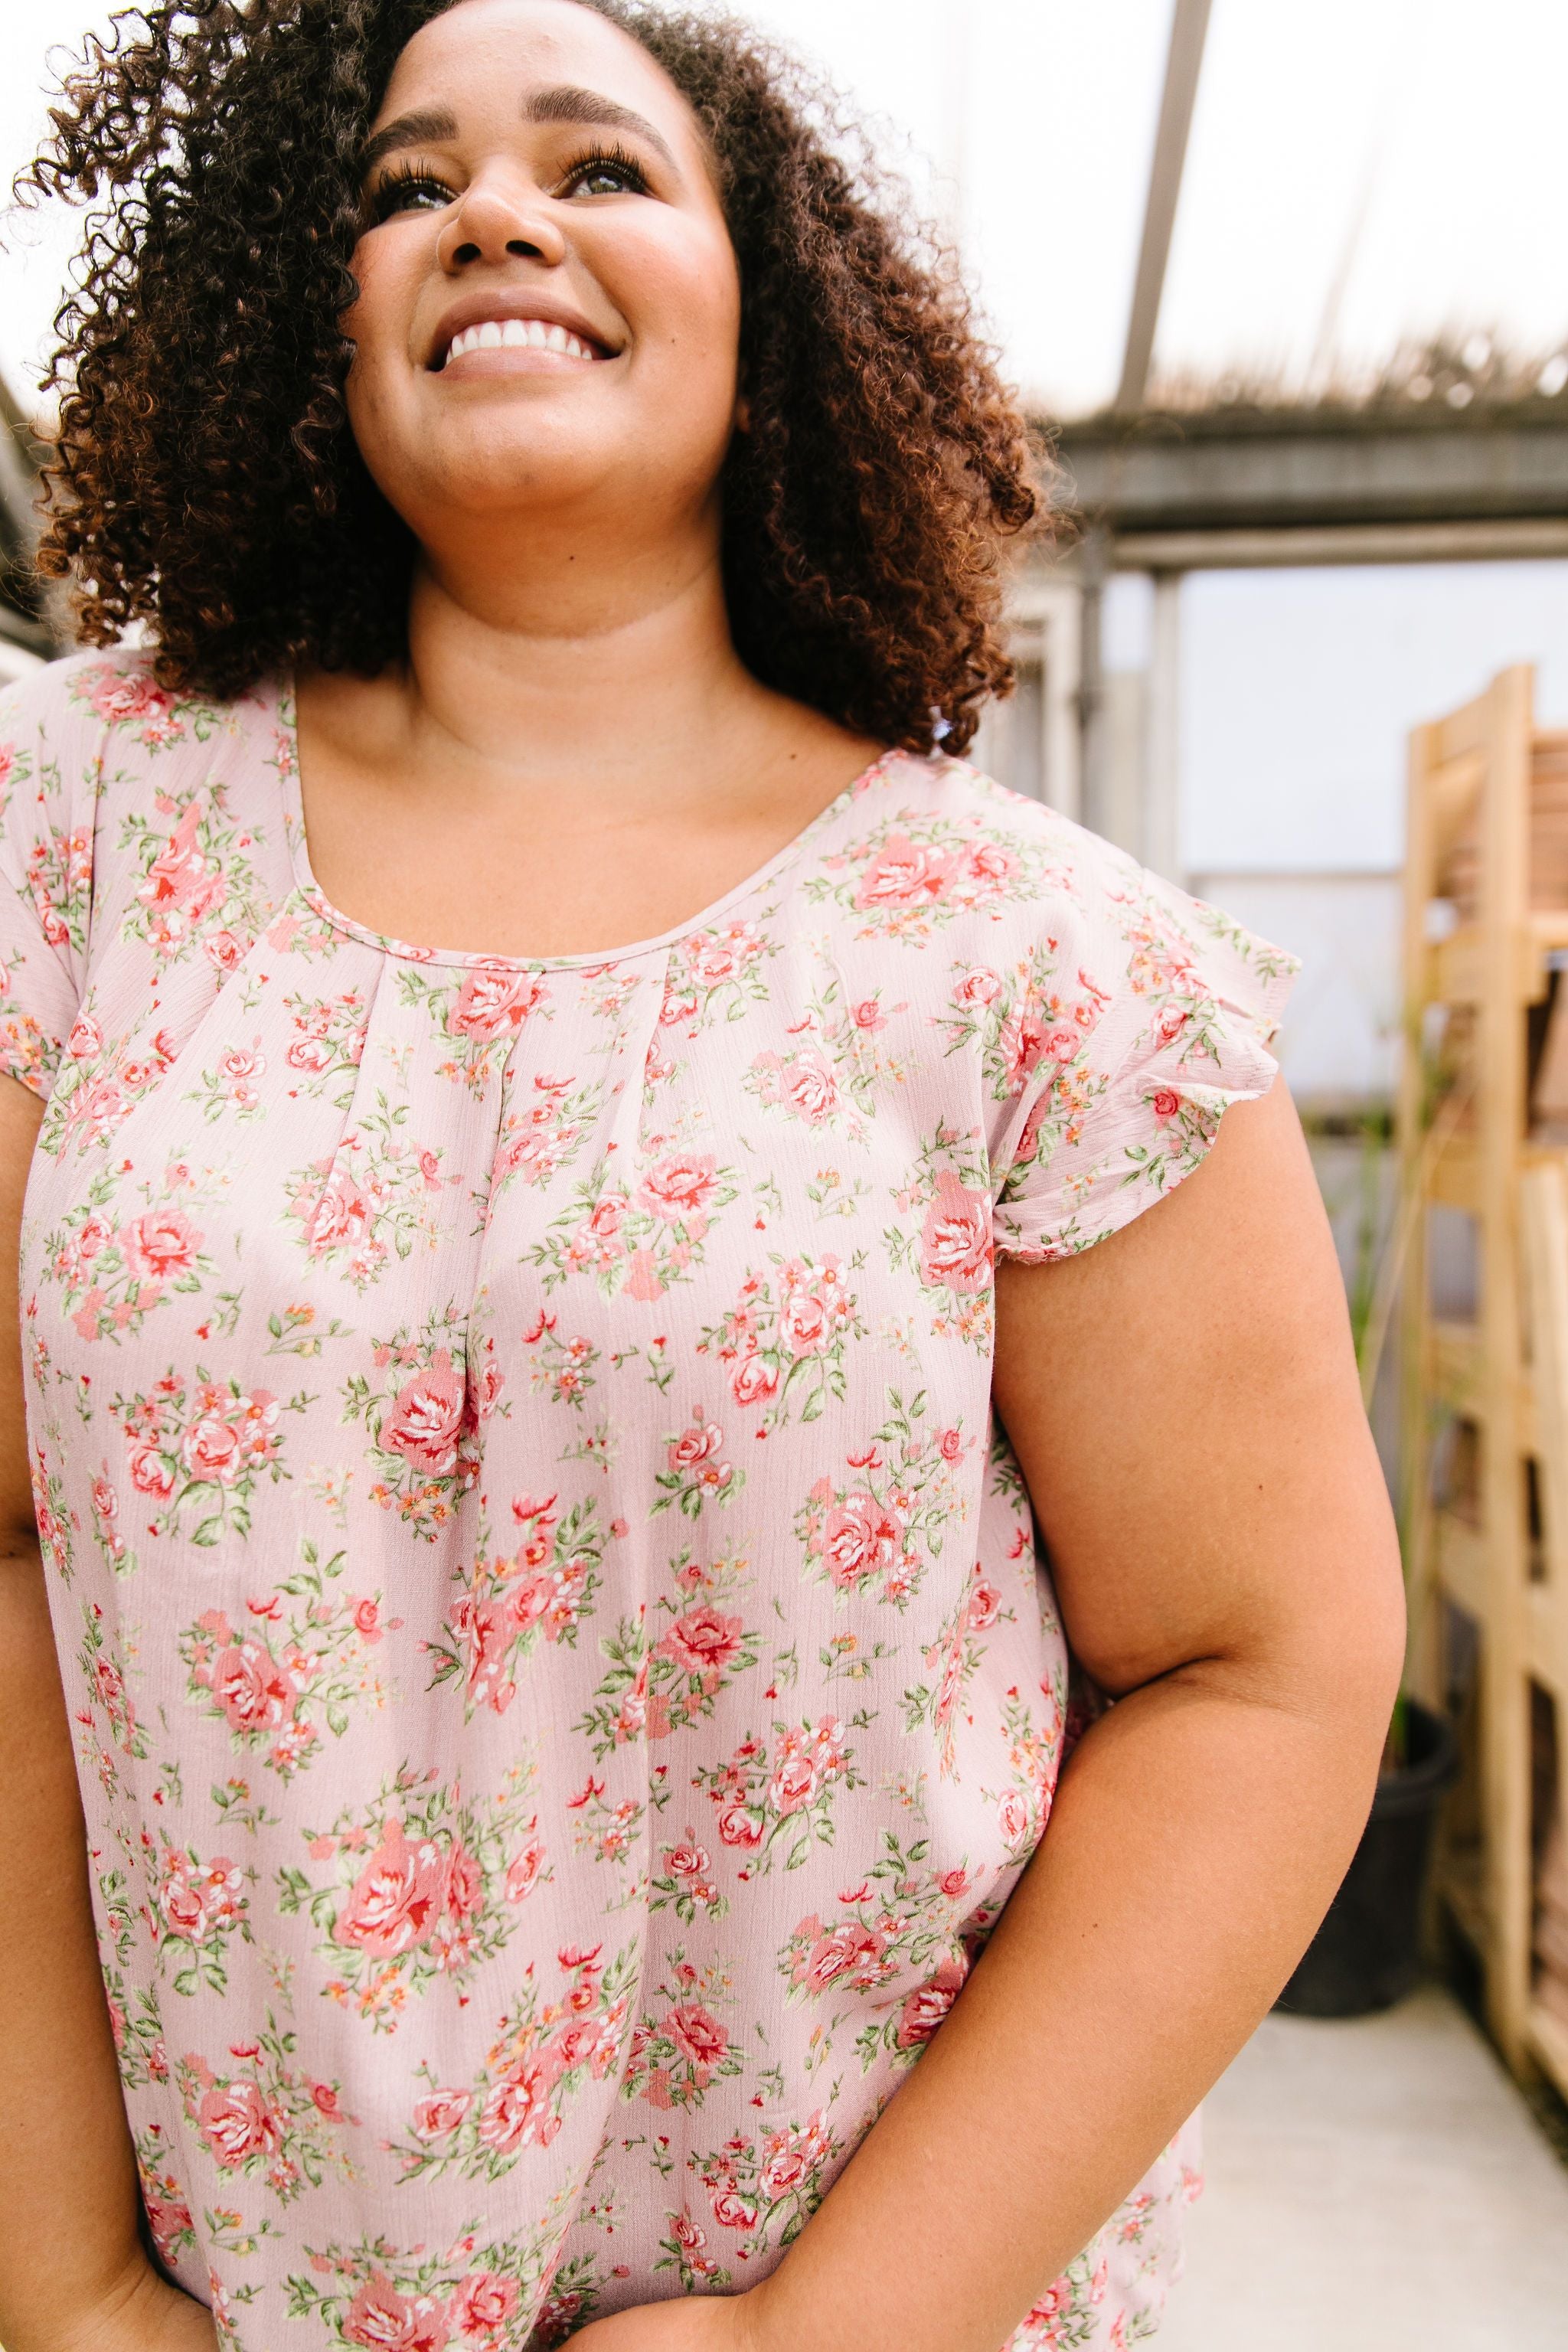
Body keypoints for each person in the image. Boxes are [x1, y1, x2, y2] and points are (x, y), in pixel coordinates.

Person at [0, 4, 1404, 2349]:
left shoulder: (1042, 965)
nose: (492, 211)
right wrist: (49, 2279)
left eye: (603, 169)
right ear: (296, 313)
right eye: (398, 182)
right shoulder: (78, 831)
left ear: (781, 320)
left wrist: (809, 2337)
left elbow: (1265, 1672)